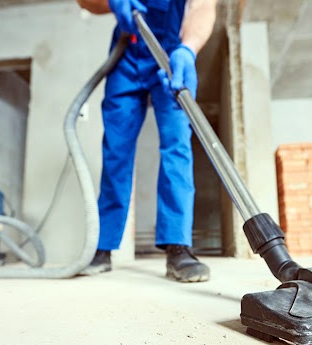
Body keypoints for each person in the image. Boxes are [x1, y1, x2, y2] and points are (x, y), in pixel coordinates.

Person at [76, 0, 218, 282]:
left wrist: (188, 49)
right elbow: (86, 2)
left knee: (176, 146)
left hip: (169, 53)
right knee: (116, 150)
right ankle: (102, 247)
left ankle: (178, 247)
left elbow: (202, 5)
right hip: (127, 54)